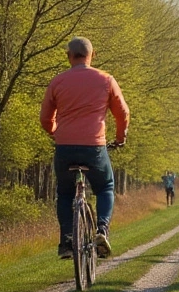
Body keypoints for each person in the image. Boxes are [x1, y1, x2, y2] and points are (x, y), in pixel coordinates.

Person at [39, 36, 129, 259]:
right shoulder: (106, 80)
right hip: (94, 147)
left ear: (68, 56)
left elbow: (45, 119)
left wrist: (55, 132)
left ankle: (68, 241)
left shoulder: (57, 82)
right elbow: (123, 114)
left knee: (65, 193)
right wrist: (120, 138)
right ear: (93, 55)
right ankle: (102, 230)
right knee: (106, 186)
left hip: (65, 147)